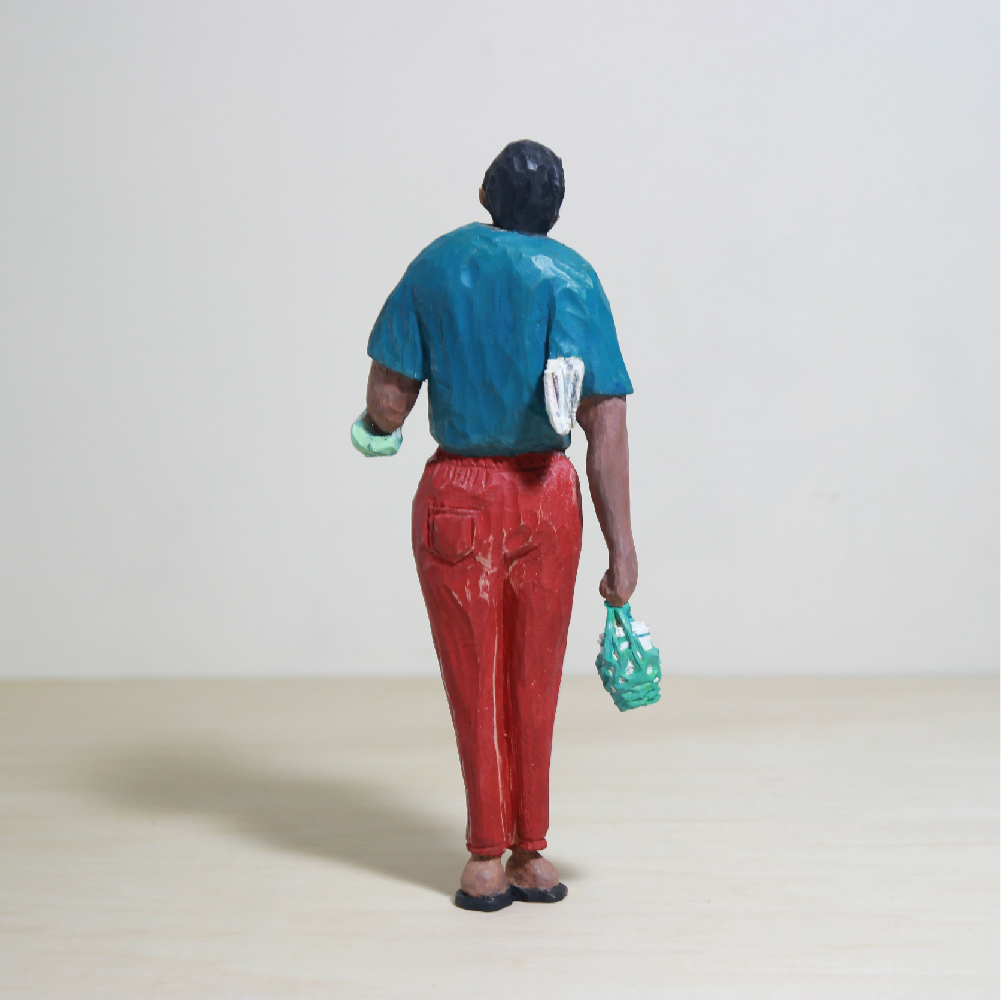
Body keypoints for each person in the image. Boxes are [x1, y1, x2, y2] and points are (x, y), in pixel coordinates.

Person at [356, 140, 638, 911]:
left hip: (459, 494)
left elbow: (388, 403)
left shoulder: (437, 264)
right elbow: (605, 421)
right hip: (545, 494)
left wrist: (373, 426)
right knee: (533, 679)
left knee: (472, 680)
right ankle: (530, 852)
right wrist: (621, 544)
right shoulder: (573, 277)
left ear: (485, 193)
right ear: (556, 208)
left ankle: (483, 858)